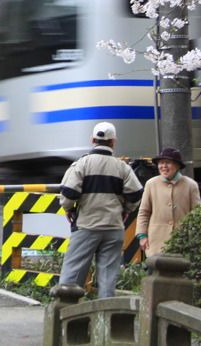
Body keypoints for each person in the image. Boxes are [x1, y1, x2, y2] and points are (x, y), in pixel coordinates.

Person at [57, 122, 144, 298]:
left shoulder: (81, 164)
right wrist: (125, 210)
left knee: (72, 275)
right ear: (113, 142)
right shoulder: (122, 167)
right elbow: (136, 194)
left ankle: (67, 316)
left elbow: (69, 192)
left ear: (92, 140)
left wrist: (68, 208)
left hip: (86, 226)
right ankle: (106, 318)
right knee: (108, 278)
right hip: (113, 227)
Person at [136, 147, 201, 258]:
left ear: (177, 166)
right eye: (161, 163)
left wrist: (195, 238)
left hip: (182, 241)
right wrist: (142, 235)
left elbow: (197, 214)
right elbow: (144, 212)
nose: (164, 166)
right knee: (155, 274)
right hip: (156, 241)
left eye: (168, 163)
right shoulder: (151, 184)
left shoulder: (190, 185)